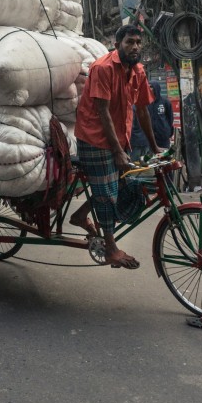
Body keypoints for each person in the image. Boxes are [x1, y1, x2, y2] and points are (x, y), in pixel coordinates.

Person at [70, 24, 160, 269]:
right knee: (107, 196)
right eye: (130, 42)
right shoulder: (102, 68)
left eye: (138, 43)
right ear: (118, 44)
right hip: (94, 139)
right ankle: (111, 249)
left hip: (119, 139)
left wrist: (155, 147)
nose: (135, 47)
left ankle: (80, 216)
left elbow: (142, 110)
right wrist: (118, 152)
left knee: (121, 184)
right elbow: (102, 112)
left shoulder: (138, 71)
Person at [130, 80, 174, 161]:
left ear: (156, 88)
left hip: (163, 137)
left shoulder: (165, 102)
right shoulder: (146, 104)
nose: (149, 89)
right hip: (150, 138)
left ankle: (168, 173)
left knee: (165, 158)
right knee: (151, 159)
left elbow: (170, 118)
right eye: (148, 86)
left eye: (151, 87)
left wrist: (168, 131)